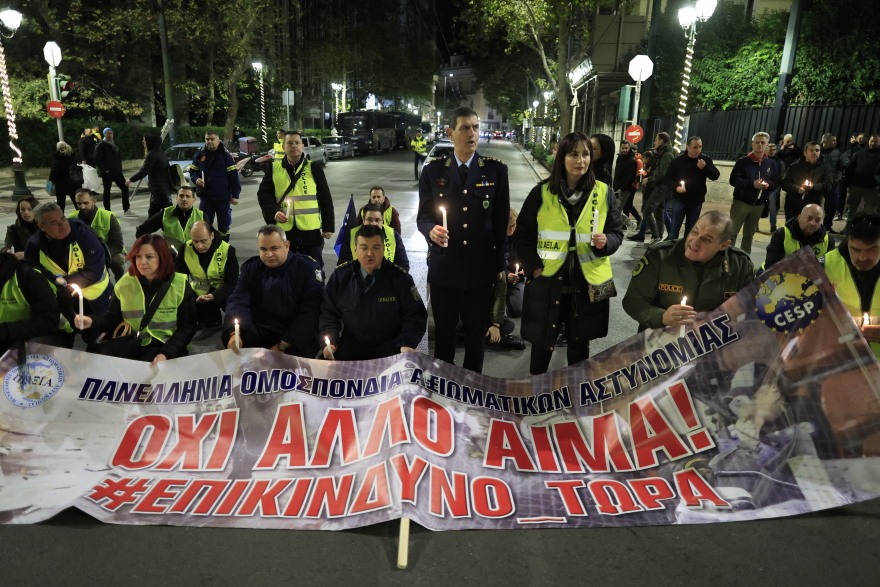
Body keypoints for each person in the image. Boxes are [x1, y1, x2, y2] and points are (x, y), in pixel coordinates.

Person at [514, 131, 624, 375]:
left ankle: (574, 393)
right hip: (548, 282)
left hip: (585, 284)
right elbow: (522, 236)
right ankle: (537, 392)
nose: (581, 160)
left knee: (579, 347)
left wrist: (607, 241)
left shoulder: (603, 192)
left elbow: (617, 232)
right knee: (542, 344)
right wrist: (534, 268)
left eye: (586, 154)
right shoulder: (541, 193)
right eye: (573, 154)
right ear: (561, 157)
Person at [417, 106, 510, 373]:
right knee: (444, 337)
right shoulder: (433, 171)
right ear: (450, 133)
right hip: (444, 269)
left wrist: (499, 266)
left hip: (480, 271)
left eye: (475, 127)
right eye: (465, 128)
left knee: (475, 337)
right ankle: (445, 387)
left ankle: (472, 388)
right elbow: (423, 216)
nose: (472, 133)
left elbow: (501, 222)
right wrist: (430, 231)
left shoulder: (495, 171)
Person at [623, 210, 754, 332]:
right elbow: (633, 301)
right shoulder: (660, 256)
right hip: (660, 341)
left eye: (706, 239)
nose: (695, 242)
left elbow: (750, 311)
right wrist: (661, 316)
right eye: (694, 232)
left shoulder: (741, 266)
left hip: (712, 343)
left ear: (723, 245)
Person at [77, 234, 196, 366]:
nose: (142, 262)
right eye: (138, 256)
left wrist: (166, 353)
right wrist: (92, 321)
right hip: (134, 346)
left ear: (162, 257)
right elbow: (112, 319)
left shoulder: (180, 284)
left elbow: (188, 327)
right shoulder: (125, 283)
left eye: (149, 257)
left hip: (169, 346)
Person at [319, 224, 426, 360]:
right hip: (352, 343)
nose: (370, 253)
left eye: (376, 247)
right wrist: (331, 341)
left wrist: (406, 343)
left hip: (390, 345)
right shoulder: (341, 277)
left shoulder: (401, 278)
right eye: (364, 248)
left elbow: (415, 316)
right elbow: (328, 312)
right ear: (355, 250)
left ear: (383, 249)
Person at [223, 225, 323, 357]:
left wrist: (283, 344)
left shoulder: (307, 268)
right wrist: (235, 334)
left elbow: (312, 311)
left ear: (287, 245)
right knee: (236, 347)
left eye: (274, 248)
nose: (269, 255)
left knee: (293, 361)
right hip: (263, 328)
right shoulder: (251, 268)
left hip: (295, 331)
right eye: (263, 249)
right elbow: (238, 300)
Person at [24, 201, 112, 345]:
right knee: (63, 339)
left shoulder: (84, 235)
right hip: (61, 303)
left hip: (95, 300)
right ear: (42, 227)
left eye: (63, 218)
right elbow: (30, 274)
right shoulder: (34, 245)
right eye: (54, 223)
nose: (63, 225)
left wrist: (63, 282)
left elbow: (94, 271)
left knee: (95, 338)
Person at [256, 130, 334, 265]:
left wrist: (328, 226)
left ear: (302, 146)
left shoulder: (313, 167)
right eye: (290, 143)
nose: (294, 146)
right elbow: (263, 194)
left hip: (310, 231)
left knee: (313, 268)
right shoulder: (274, 168)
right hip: (284, 231)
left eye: (297, 143)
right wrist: (274, 212)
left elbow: (325, 197)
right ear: (283, 146)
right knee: (285, 268)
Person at [823, 211, 880, 359]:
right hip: (843, 362)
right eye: (855, 249)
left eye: (872, 249)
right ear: (847, 240)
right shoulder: (824, 267)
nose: (863, 257)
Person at [0, 251, 69, 354]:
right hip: (9, 334)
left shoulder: (29, 277)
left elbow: (48, 323)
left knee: (30, 351)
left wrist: (4, 331)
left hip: (50, 333)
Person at [174, 220, 238, 329]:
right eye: (195, 241)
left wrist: (214, 296)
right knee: (210, 324)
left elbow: (232, 282)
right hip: (201, 294)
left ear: (212, 235)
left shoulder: (228, 250)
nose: (199, 246)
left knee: (235, 315)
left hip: (224, 292)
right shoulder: (185, 249)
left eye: (203, 241)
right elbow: (180, 280)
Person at [729, 131, 780, 254]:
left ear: (767, 145)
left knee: (749, 235)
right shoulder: (743, 161)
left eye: (763, 142)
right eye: (757, 142)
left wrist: (769, 185)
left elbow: (776, 180)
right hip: (741, 203)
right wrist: (752, 184)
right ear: (752, 145)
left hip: (759, 205)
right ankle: (728, 257)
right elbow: (734, 180)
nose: (760, 145)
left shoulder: (771, 163)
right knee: (732, 233)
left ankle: (744, 258)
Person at [188, 131, 241, 241]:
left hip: (223, 198)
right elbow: (192, 171)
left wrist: (235, 195)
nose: (209, 141)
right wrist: (196, 179)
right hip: (206, 198)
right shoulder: (199, 156)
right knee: (204, 225)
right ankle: (207, 246)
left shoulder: (226, 157)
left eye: (212, 139)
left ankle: (223, 246)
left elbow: (234, 177)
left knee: (224, 225)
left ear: (218, 141)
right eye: (207, 139)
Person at [665, 136, 721, 240]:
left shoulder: (705, 160)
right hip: (680, 200)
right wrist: (676, 187)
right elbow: (668, 179)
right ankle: (672, 248)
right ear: (688, 147)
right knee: (674, 229)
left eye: (700, 147)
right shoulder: (678, 161)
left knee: (691, 231)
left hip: (696, 201)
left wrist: (705, 167)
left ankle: (687, 249)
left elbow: (715, 175)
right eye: (695, 147)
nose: (698, 150)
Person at [68, 189, 126, 281]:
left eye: (86, 203)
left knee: (117, 260)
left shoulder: (108, 217)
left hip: (108, 251)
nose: (82, 206)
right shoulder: (72, 219)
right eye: (79, 203)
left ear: (94, 201)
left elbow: (117, 244)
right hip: (84, 253)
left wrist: (101, 256)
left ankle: (121, 283)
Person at [762, 203, 835, 270]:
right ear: (799, 218)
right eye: (809, 218)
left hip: (808, 277)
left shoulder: (828, 240)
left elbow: (829, 269)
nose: (813, 223)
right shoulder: (782, 234)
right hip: (777, 274)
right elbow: (771, 266)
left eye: (817, 220)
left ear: (822, 222)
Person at [337, 203, 409, 270]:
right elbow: (343, 266)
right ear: (363, 220)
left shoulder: (393, 235)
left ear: (382, 221)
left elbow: (403, 265)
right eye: (369, 220)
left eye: (377, 220)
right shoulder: (351, 236)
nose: (373, 224)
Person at [136, 186, 204, 252]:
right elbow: (142, 230)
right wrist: (153, 247)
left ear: (193, 200)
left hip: (193, 255)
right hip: (171, 256)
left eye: (188, 196)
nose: (184, 199)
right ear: (176, 198)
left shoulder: (201, 216)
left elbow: (209, 238)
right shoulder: (166, 213)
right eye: (181, 196)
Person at [780, 142, 832, 222]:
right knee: (792, 227)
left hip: (813, 205)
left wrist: (813, 187)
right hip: (794, 205)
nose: (814, 152)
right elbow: (784, 183)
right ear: (805, 153)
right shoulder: (794, 166)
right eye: (811, 150)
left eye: (817, 150)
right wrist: (798, 189)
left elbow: (828, 185)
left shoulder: (825, 167)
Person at [640, 132, 675, 244]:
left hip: (662, 187)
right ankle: (658, 237)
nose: (654, 142)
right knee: (659, 213)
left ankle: (655, 236)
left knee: (647, 211)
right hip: (660, 187)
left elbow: (662, 174)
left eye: (656, 140)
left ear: (661, 141)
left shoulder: (666, 155)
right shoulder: (661, 153)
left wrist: (649, 179)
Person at [127, 133, 173, 219]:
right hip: (163, 188)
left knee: (159, 213)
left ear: (149, 142)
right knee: (161, 212)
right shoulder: (161, 153)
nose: (143, 142)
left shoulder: (152, 155)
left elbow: (144, 171)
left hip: (158, 188)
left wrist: (130, 180)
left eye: (144, 140)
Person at [93, 128, 132, 215]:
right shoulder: (100, 145)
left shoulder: (114, 145)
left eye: (111, 133)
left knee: (125, 188)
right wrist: (104, 170)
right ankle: (108, 210)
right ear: (104, 134)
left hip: (117, 171)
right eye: (107, 133)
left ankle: (126, 209)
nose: (110, 135)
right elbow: (96, 159)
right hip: (108, 172)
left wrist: (119, 168)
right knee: (107, 191)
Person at [844, 133, 880, 215]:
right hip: (856, 186)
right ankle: (850, 223)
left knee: (870, 210)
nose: (873, 143)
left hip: (873, 187)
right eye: (871, 141)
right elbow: (849, 168)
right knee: (852, 209)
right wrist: (849, 183)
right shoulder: (860, 153)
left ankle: (867, 224)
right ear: (868, 141)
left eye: (876, 141)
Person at [613, 140, 640, 231]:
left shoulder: (632, 161)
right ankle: (630, 224)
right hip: (617, 187)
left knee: (616, 210)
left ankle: (617, 228)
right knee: (615, 209)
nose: (624, 150)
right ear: (620, 148)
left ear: (629, 148)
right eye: (623, 148)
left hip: (624, 189)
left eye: (626, 148)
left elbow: (631, 177)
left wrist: (623, 188)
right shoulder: (619, 158)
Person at [820, 134, 844, 233]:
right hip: (818, 183)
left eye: (835, 140)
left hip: (832, 184)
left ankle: (827, 226)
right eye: (832, 140)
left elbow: (840, 167)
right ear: (825, 140)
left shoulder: (837, 153)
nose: (835, 142)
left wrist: (838, 179)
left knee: (833, 204)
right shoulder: (817, 150)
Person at [504, 207, 524, 318]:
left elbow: (528, 254)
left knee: (517, 310)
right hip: (499, 278)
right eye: (509, 227)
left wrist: (526, 267)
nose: (512, 230)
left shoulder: (520, 236)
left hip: (517, 279)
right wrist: (506, 274)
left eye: (514, 226)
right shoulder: (497, 238)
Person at [49, 141, 81, 212]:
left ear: (57, 148)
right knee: (76, 201)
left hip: (61, 183)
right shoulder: (72, 157)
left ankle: (61, 217)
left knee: (61, 202)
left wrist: (51, 180)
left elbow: (54, 171)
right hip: (73, 182)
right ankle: (81, 215)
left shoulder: (58, 159)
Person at [766, 143, 786, 232]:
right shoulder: (763, 159)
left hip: (774, 187)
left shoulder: (779, 162)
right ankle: (756, 225)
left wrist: (778, 186)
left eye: (774, 150)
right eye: (770, 149)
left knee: (772, 208)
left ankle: (773, 226)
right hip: (763, 186)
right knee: (759, 207)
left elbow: (781, 176)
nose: (772, 151)